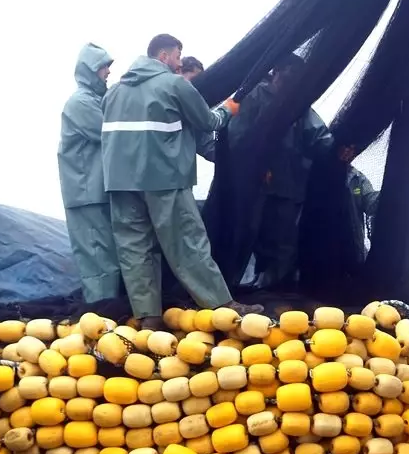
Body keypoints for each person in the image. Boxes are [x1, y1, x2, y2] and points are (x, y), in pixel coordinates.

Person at [102, 34, 260, 328]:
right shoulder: (174, 85)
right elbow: (209, 122)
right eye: (177, 56)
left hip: (120, 181)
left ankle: (148, 318)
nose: (178, 63)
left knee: (135, 249)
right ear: (163, 55)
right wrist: (230, 108)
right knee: (186, 243)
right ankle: (222, 306)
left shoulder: (114, 93)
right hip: (164, 178)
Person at [229, 53, 333, 288]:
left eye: (297, 78)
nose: (292, 81)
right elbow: (237, 136)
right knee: (248, 231)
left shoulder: (299, 103)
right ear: (276, 73)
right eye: (288, 75)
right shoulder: (255, 96)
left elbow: (318, 135)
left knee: (283, 237)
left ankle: (276, 284)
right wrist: (254, 166)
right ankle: (238, 281)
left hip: (289, 182)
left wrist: (339, 147)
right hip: (255, 183)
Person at [57, 43, 121, 303]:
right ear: (90, 70)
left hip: (97, 191)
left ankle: (111, 315)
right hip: (86, 194)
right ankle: (101, 316)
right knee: (97, 259)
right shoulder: (80, 103)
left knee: (108, 255)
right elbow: (112, 133)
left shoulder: (96, 100)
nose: (108, 72)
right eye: (103, 67)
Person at [339, 145, 379, 261]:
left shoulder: (358, 179)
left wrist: (389, 191)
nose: (347, 152)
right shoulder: (319, 171)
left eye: (352, 149)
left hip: (351, 249)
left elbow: (371, 205)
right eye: (345, 146)